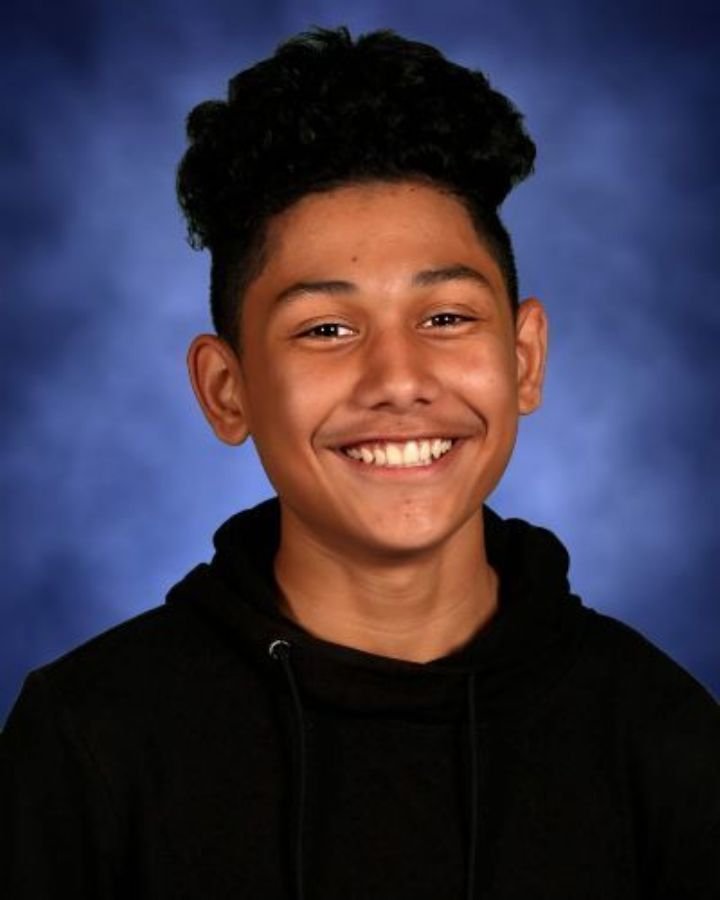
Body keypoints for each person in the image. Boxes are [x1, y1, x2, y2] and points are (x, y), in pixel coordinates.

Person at [1, 25, 718, 900]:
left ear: (524, 358)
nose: (398, 380)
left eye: (446, 317)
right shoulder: (88, 741)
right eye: (326, 329)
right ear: (227, 390)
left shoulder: (665, 738)